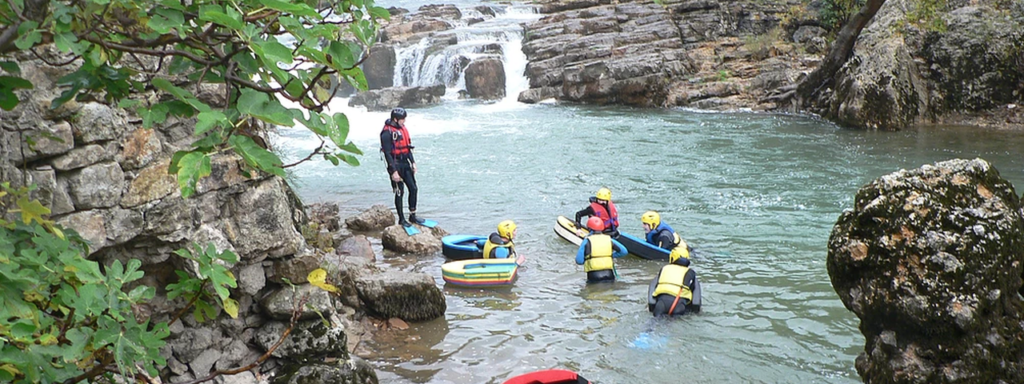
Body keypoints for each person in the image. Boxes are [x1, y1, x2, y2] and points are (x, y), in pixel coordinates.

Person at [380, 107, 421, 227]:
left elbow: (407, 148)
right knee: (399, 191)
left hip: (405, 162)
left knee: (413, 188)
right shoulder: (387, 133)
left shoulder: (402, 129)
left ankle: (412, 215)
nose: (404, 121)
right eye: (402, 119)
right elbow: (387, 154)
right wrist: (394, 172)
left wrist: (413, 162)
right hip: (395, 164)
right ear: (395, 119)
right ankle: (401, 219)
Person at [649, 246, 699, 316]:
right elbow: (696, 299)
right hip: (679, 304)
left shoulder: (664, 269)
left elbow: (654, 286)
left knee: (654, 323)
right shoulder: (690, 272)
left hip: (661, 303)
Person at [575, 217, 627, 283]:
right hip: (609, 274)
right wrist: (610, 256)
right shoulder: (609, 239)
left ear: (589, 228)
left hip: (594, 275)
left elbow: (579, 261)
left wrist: (588, 258)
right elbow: (624, 251)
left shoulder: (587, 241)